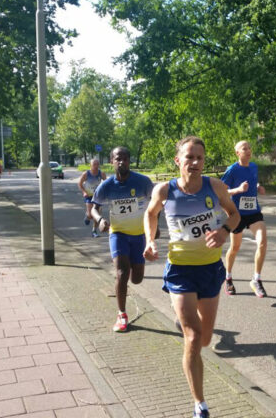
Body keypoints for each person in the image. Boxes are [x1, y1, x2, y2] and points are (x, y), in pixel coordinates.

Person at [143, 136, 240, 418]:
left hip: (210, 269)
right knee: (194, 337)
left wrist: (223, 232)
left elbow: (233, 215)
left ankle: (183, 321)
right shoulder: (164, 191)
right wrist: (150, 241)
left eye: (199, 158)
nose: (195, 162)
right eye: (189, 157)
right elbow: (150, 214)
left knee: (206, 339)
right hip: (181, 270)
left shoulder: (215, 187)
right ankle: (200, 404)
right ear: (178, 161)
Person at [91, 147, 154, 333]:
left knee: (136, 278)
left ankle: (130, 283)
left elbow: (156, 203)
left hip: (139, 235)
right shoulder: (107, 186)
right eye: (118, 159)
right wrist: (100, 220)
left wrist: (154, 228)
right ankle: (122, 314)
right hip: (117, 233)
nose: (122, 162)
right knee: (121, 272)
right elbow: (94, 208)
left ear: (129, 161)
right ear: (111, 161)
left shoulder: (142, 182)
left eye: (125, 159)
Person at [221, 140, 268, 298]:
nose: (248, 150)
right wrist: (238, 190)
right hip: (237, 214)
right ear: (237, 153)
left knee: (262, 242)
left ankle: (256, 279)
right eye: (244, 148)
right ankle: (228, 277)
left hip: (254, 212)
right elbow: (222, 192)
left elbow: (253, 181)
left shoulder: (254, 167)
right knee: (235, 248)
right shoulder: (232, 170)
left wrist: (257, 187)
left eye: (249, 147)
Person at [78, 158, 107, 237]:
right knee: (91, 214)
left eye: (97, 164)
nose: (96, 166)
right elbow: (80, 183)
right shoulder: (86, 174)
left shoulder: (101, 174)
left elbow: (106, 184)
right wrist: (84, 192)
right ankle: (87, 216)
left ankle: (94, 231)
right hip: (89, 196)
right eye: (94, 164)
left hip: (97, 197)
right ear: (90, 165)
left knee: (97, 214)